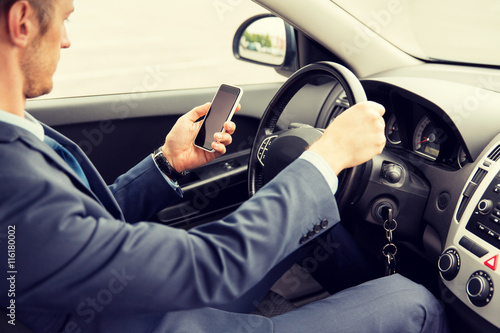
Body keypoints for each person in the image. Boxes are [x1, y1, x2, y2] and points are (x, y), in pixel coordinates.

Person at [0, 0, 449, 332]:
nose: (66, 39)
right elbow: (209, 266)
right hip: (145, 319)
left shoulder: (17, 135)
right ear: (22, 21)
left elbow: (74, 234)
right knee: (415, 302)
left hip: (129, 305)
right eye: (65, 18)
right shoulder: (13, 182)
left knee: (313, 225)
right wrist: (325, 158)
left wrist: (166, 163)